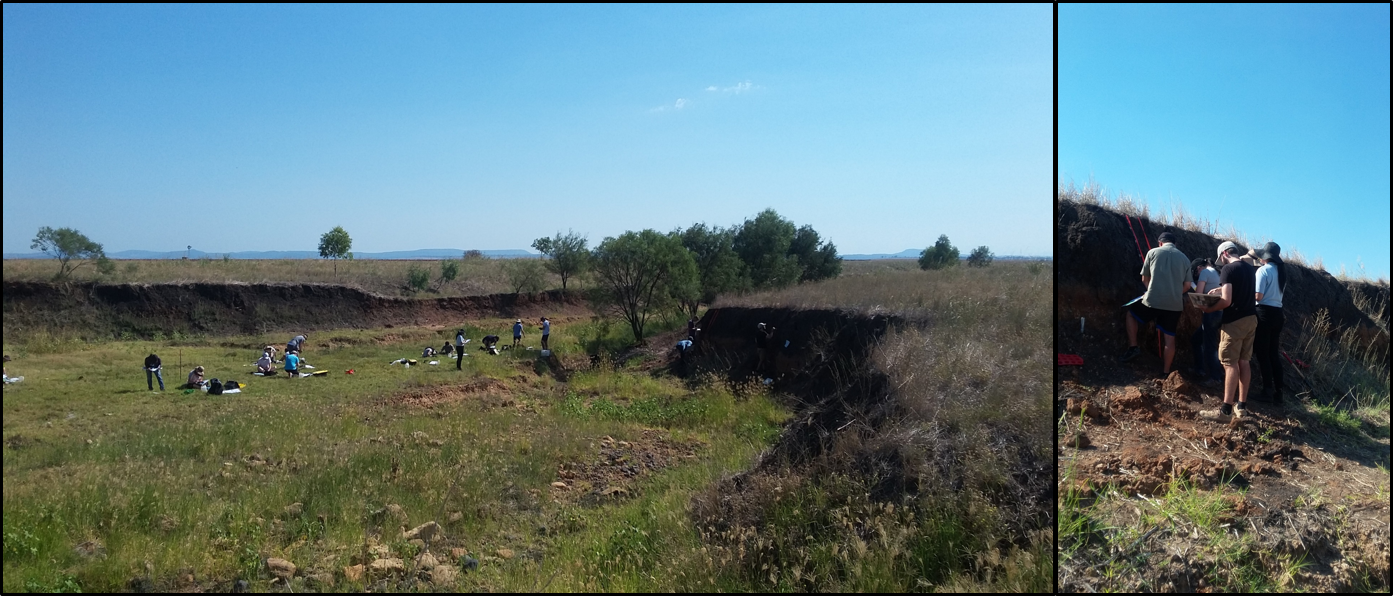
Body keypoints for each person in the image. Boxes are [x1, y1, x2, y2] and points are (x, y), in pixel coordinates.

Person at [1200, 241, 1259, 422]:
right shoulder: (1250, 269)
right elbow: (1241, 291)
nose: (1221, 263)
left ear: (1224, 253)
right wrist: (1220, 289)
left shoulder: (1228, 270)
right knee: (1244, 362)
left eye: (1221, 259)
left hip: (1234, 322)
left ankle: (1225, 411)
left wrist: (1208, 308)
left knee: (1229, 363)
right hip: (1251, 319)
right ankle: (1241, 406)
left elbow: (1226, 301)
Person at [1120, 231, 1193, 376]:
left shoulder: (1152, 252)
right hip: (1174, 304)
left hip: (1153, 300)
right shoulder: (1184, 258)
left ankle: (1133, 347)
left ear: (1160, 243)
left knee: (1131, 315)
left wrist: (1151, 290)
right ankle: (1166, 372)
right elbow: (1187, 285)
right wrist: (1174, 293)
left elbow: (1144, 279)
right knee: (1169, 337)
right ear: (1175, 244)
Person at [1253, 242, 1287, 404]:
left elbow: (1258, 296)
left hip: (1264, 313)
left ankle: (1267, 391)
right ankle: (1278, 392)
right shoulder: (1281, 272)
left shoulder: (1263, 270)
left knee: (1262, 353)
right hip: (1278, 314)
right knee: (1273, 353)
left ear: (1264, 257)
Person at [1188, 258, 1223, 383]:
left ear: (1198, 268)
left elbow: (1198, 294)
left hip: (1212, 312)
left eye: (1196, 274)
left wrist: (1191, 285)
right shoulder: (1218, 272)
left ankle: (1215, 376)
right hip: (1221, 312)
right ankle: (1200, 369)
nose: (1197, 276)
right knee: (1196, 340)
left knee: (1210, 345)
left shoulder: (1204, 272)